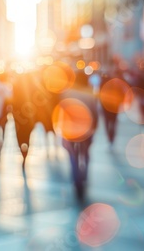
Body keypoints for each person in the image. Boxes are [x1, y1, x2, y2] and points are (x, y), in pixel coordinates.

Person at [57, 71, 98, 199]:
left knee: (72, 155)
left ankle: (77, 180)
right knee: (85, 153)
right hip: (86, 129)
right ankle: (84, 176)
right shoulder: (90, 94)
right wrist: (94, 127)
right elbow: (95, 113)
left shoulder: (66, 93)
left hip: (71, 130)